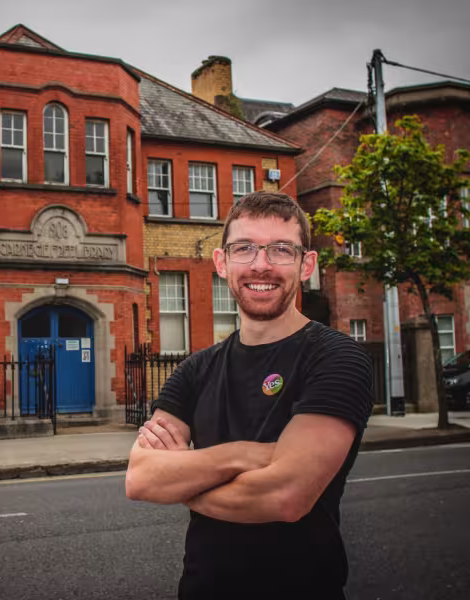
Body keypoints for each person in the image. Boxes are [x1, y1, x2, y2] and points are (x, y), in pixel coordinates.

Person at [125, 191, 373, 600]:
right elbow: (140, 478)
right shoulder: (194, 370)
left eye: (280, 249)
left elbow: (285, 497)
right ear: (222, 262)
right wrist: (246, 454)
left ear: (306, 264)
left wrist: (182, 475)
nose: (261, 265)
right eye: (244, 249)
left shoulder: (336, 357)